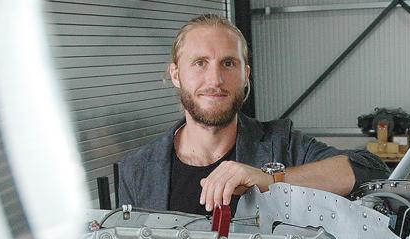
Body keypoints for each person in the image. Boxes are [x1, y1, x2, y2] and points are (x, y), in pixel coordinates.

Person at [117, 14, 388, 215]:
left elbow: (371, 170)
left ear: (245, 75)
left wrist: (271, 180)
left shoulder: (282, 143)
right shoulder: (137, 170)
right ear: (176, 75)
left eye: (228, 63)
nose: (215, 80)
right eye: (200, 63)